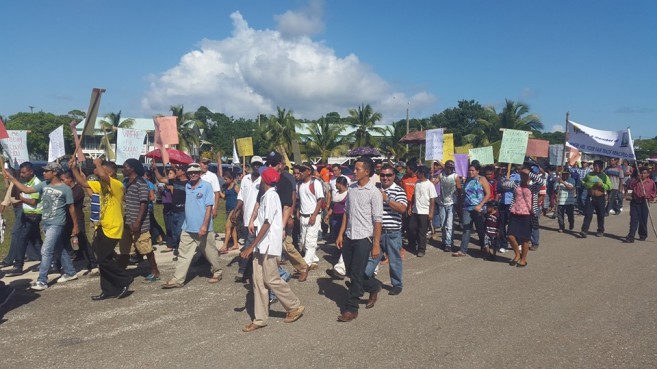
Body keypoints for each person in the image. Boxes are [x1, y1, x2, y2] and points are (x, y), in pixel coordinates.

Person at [240, 167, 305, 332]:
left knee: (271, 279)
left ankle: (294, 306)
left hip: (268, 245)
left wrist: (250, 246)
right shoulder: (266, 196)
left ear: (264, 180)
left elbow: (268, 223)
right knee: (258, 281)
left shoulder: (271, 196)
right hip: (262, 246)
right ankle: (260, 318)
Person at [4, 162, 80, 291]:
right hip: (46, 222)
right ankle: (70, 272)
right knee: (58, 247)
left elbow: (71, 208)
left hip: (57, 223)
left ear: (55, 172)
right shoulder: (44, 185)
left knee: (46, 250)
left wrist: (75, 226)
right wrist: (12, 179)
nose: (44, 173)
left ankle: (42, 280)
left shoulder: (65, 189)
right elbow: (26, 190)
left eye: (46, 171)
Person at [70, 157, 133, 300]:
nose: (97, 170)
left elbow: (103, 175)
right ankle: (108, 289)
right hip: (102, 226)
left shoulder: (116, 184)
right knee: (103, 259)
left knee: (104, 259)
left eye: (102, 169)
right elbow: (83, 183)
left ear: (109, 173)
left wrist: (98, 163)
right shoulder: (101, 185)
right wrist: (74, 168)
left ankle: (124, 279)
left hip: (113, 227)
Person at [336, 157, 383, 322]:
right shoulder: (352, 189)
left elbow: (378, 220)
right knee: (350, 271)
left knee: (356, 274)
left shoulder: (374, 192)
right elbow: (346, 213)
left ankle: (351, 308)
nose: (354, 172)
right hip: (350, 235)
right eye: (354, 169)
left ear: (367, 172)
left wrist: (376, 244)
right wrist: (341, 234)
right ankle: (374, 286)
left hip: (365, 238)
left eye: (357, 169)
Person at [162, 163, 223, 288]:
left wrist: (204, 226)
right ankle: (178, 280)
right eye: (190, 172)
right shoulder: (188, 186)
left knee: (210, 252)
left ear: (200, 173)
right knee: (183, 254)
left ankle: (217, 272)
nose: (193, 174)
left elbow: (208, 207)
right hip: (188, 227)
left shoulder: (206, 186)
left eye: (196, 172)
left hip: (203, 227)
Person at [365, 164, 407, 295]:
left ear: (394, 176)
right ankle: (362, 281)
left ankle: (397, 284)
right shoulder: (374, 189)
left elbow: (402, 209)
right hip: (377, 232)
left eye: (388, 175)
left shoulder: (398, 190)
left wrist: (387, 199)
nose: (385, 178)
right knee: (372, 258)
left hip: (392, 232)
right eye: (382, 175)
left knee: (394, 260)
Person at [119, 159, 160, 282]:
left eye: (125, 167)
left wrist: (137, 221)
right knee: (125, 248)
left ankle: (155, 270)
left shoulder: (141, 183)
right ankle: (121, 271)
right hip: (128, 220)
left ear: (132, 169)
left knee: (145, 248)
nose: (123, 169)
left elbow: (144, 203)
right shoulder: (126, 182)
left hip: (139, 223)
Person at [5, 162, 43, 277]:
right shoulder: (26, 181)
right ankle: (48, 261)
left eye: (24, 172)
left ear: (31, 171)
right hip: (26, 214)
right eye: (20, 172)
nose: (21, 174)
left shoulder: (36, 183)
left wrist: (21, 198)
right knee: (36, 240)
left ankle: (18, 265)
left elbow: (33, 201)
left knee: (21, 238)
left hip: (34, 215)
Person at [231, 156, 263, 282]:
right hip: (246, 219)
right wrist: (235, 212)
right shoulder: (245, 179)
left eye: (259, 164)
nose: (256, 166)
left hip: (258, 219)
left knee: (249, 245)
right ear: (250, 165)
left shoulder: (264, 180)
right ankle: (252, 271)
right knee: (252, 245)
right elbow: (241, 197)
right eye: (254, 164)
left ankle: (242, 271)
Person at [60, 170, 97, 272]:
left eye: (63, 180)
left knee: (82, 240)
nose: (61, 182)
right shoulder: (65, 190)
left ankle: (92, 261)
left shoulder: (77, 190)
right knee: (64, 239)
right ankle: (77, 256)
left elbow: (69, 201)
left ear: (69, 179)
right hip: (67, 219)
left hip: (77, 218)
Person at [507, 168, 542, 268]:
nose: (523, 176)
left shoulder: (534, 186)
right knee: (510, 236)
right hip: (515, 213)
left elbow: (542, 181)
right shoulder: (516, 184)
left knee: (525, 239)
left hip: (527, 215)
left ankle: (523, 259)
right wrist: (508, 173)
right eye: (522, 174)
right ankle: (517, 254)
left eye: (525, 174)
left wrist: (529, 173)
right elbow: (505, 184)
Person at [454, 163, 491, 257]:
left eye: (473, 170)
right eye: (469, 170)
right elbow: (464, 194)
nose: (470, 172)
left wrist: (480, 205)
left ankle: (484, 247)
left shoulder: (482, 179)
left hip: (479, 208)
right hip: (467, 208)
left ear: (477, 171)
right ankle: (463, 250)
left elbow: (488, 194)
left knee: (480, 229)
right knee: (466, 229)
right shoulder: (467, 180)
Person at [296, 161, 325, 270]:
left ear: (309, 171)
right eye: (300, 170)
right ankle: (314, 259)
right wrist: (298, 210)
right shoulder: (300, 184)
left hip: (313, 216)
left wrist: (314, 215)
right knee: (302, 242)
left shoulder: (315, 183)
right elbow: (301, 200)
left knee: (310, 241)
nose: (301, 172)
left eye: (303, 170)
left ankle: (305, 264)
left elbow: (320, 200)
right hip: (303, 216)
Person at [152, 164, 187, 255]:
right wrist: (155, 169)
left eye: (178, 169)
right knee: (175, 232)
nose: (177, 171)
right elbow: (161, 179)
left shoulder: (190, 183)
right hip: (174, 211)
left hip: (184, 211)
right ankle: (179, 249)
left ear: (183, 172)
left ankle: (182, 250)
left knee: (179, 231)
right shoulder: (174, 182)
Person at [407, 165, 436, 257]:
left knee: (422, 232)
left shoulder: (430, 185)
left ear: (422, 173)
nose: (416, 174)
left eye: (418, 172)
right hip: (416, 210)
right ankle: (413, 244)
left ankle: (421, 249)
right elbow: (414, 196)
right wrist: (410, 207)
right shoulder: (417, 183)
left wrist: (431, 212)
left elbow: (432, 200)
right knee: (411, 228)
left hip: (424, 212)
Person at [579, 160, 612, 238]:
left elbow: (610, 186)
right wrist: (587, 185)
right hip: (590, 197)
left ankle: (600, 230)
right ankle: (584, 231)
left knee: (600, 215)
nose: (596, 168)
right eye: (595, 166)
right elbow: (583, 181)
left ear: (601, 167)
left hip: (600, 198)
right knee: (588, 214)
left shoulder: (604, 176)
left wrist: (602, 185)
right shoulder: (589, 175)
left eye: (598, 166)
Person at [624, 167, 657, 243]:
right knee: (633, 220)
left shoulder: (651, 182)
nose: (642, 174)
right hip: (635, 202)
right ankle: (631, 236)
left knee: (643, 220)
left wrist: (649, 196)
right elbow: (630, 186)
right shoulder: (635, 181)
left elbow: (654, 192)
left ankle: (643, 235)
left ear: (648, 174)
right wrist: (636, 180)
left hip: (644, 203)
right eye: (641, 173)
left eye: (645, 173)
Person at [435, 160, 461, 252]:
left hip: (451, 203)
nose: (449, 169)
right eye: (448, 167)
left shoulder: (455, 177)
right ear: (445, 167)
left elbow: (459, 189)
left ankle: (448, 243)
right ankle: (444, 241)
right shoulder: (441, 175)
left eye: (451, 168)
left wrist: (459, 201)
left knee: (449, 225)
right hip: (442, 203)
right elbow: (434, 183)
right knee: (443, 224)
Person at [219, 170, 240, 253]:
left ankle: (225, 245)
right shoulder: (226, 187)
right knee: (233, 228)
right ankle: (235, 244)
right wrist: (218, 192)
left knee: (227, 226)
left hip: (234, 209)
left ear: (231, 179)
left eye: (226, 179)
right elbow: (224, 197)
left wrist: (239, 211)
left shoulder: (236, 187)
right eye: (224, 179)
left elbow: (241, 198)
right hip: (228, 209)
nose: (225, 181)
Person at [143, 170, 165, 247]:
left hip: (148, 207)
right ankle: (159, 235)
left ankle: (158, 236)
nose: (143, 177)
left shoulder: (150, 184)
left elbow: (152, 198)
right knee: (152, 223)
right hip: (142, 207)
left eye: (144, 175)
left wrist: (142, 198)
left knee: (151, 223)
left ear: (148, 177)